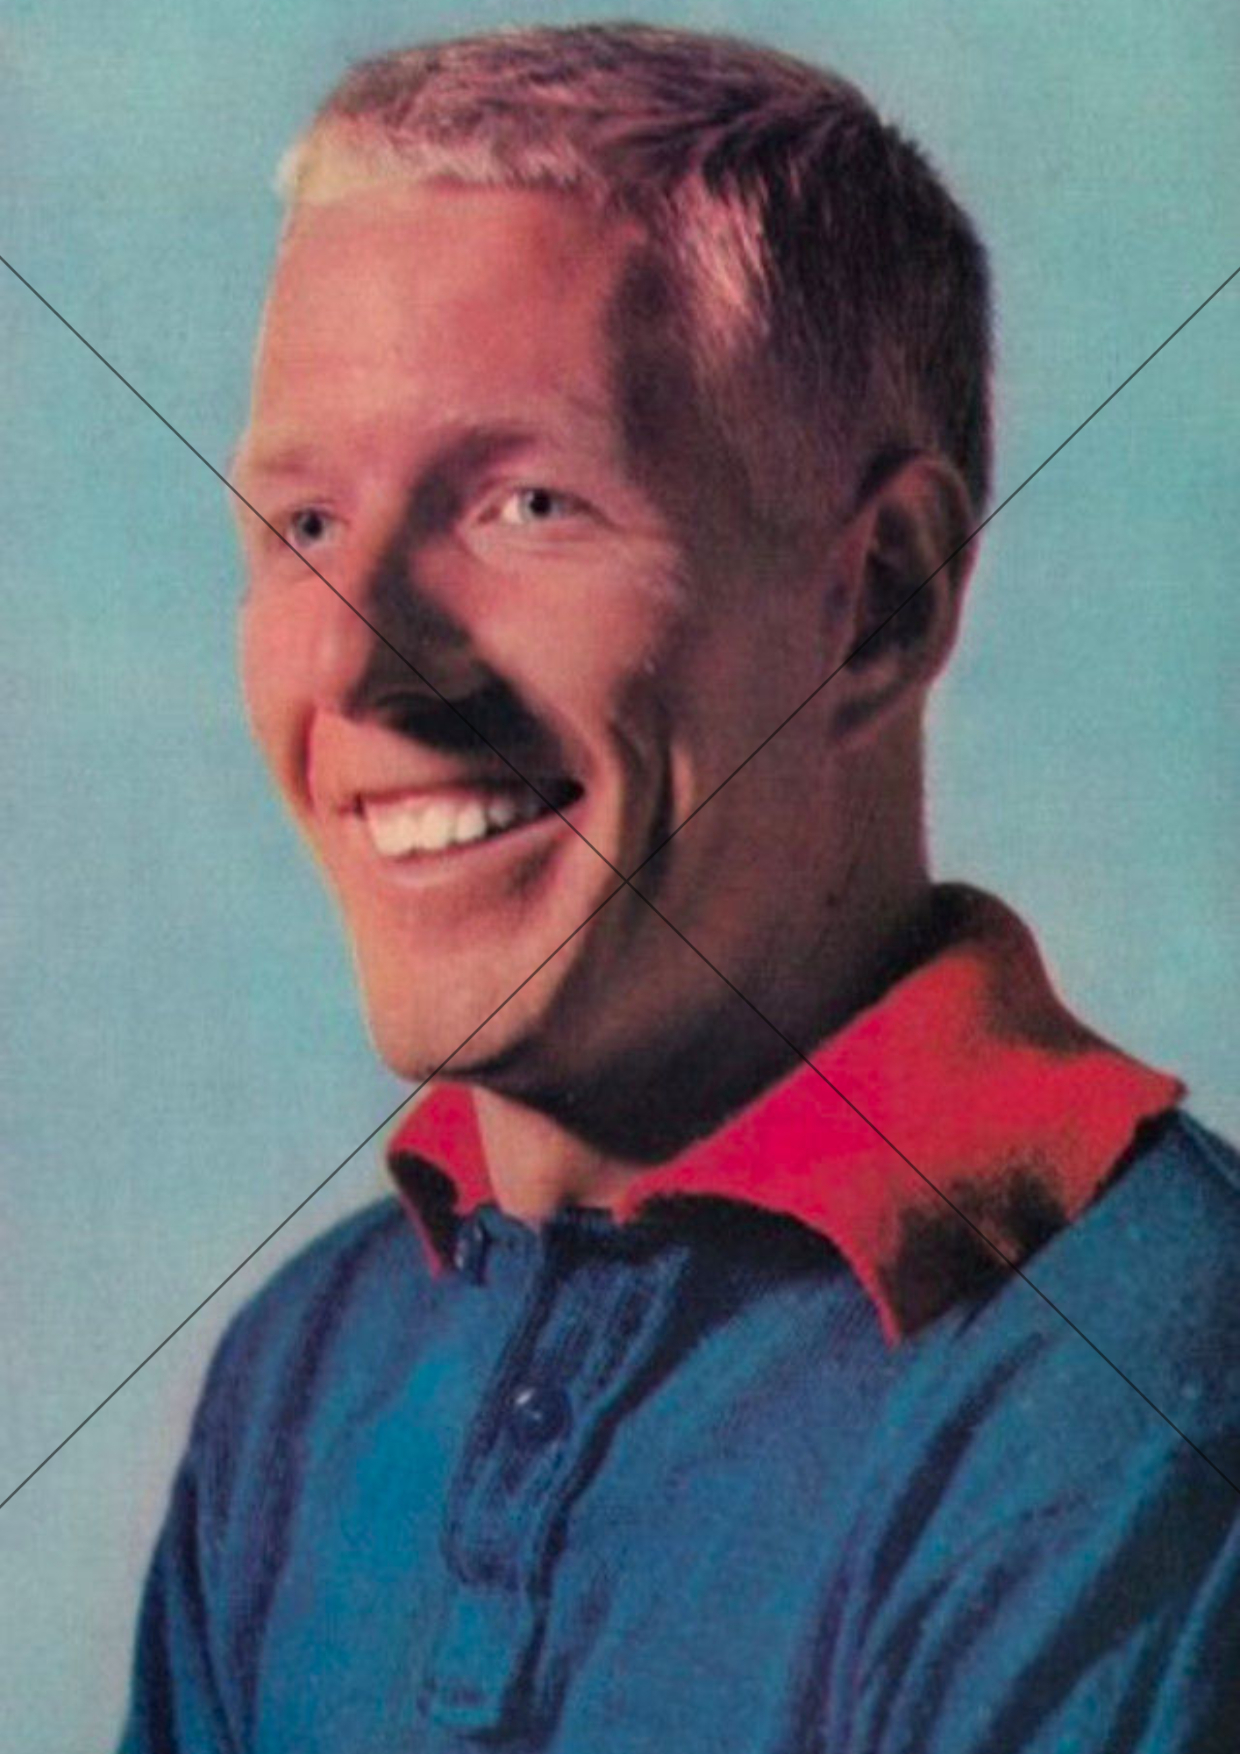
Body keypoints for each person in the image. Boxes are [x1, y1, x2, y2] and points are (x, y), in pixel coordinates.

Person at [119, 23, 1240, 1751]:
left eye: (526, 502)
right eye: (307, 527)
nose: (357, 662)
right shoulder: (304, 1372)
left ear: (881, 602)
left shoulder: (1143, 1389)